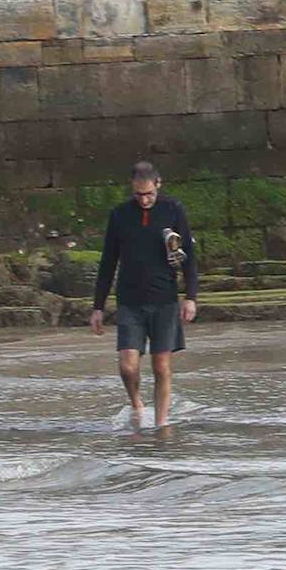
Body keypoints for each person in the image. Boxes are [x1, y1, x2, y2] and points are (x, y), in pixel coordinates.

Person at [90, 161, 199, 427]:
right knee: (128, 366)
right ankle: (137, 404)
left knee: (161, 367)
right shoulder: (119, 215)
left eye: (149, 193)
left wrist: (191, 297)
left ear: (158, 184)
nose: (145, 199)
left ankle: (161, 425)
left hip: (164, 299)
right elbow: (108, 262)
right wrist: (98, 307)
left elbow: (189, 257)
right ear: (132, 188)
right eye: (139, 194)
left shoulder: (173, 210)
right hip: (130, 301)